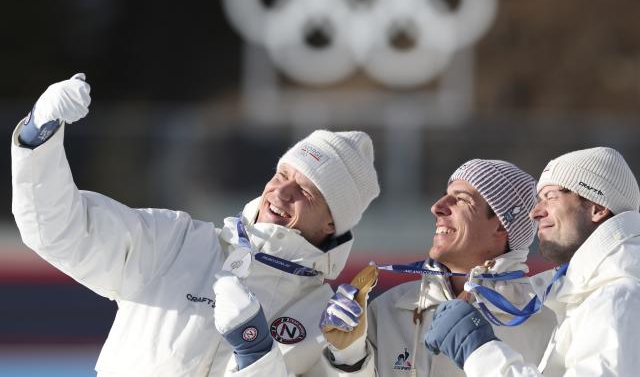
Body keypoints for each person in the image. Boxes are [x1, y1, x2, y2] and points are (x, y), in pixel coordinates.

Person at [11, 74, 380, 376]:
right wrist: (38, 135)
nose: (280, 192)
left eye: (305, 190)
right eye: (282, 174)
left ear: (332, 220)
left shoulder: (325, 322)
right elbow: (62, 231)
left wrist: (260, 349)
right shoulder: (175, 242)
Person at [318, 159, 556, 376]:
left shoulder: (546, 320)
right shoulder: (388, 309)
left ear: (502, 227)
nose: (437, 206)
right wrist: (348, 357)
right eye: (445, 195)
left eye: (461, 199)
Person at [424, 147, 640, 376]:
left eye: (551, 197)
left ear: (597, 207)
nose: (535, 212)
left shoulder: (619, 296)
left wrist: (479, 351)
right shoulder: (593, 295)